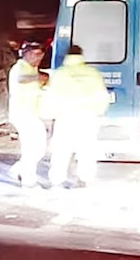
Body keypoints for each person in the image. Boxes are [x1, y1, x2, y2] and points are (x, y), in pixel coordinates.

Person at [40, 45, 109, 188]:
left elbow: (50, 96)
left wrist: (47, 115)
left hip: (65, 117)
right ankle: (84, 178)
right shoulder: (93, 73)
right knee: (86, 150)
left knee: (61, 150)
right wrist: (99, 111)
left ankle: (56, 180)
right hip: (88, 117)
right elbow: (102, 96)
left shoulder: (60, 73)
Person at [8, 41, 48, 187]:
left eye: (41, 55)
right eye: (36, 55)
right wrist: (39, 77)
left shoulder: (32, 68)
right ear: (28, 54)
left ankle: (17, 170)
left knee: (39, 148)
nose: (39, 58)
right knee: (31, 147)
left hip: (32, 113)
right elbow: (22, 79)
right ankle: (28, 180)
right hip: (23, 114)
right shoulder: (20, 67)